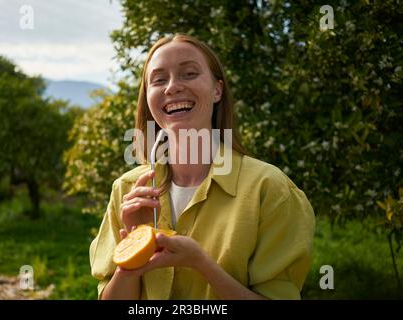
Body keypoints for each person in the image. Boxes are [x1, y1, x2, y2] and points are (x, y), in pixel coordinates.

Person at [89, 34, 316, 300]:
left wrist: (201, 264)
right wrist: (132, 254)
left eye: (188, 73)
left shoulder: (270, 189)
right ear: (148, 98)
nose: (172, 87)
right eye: (159, 79)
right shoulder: (126, 191)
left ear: (217, 90)